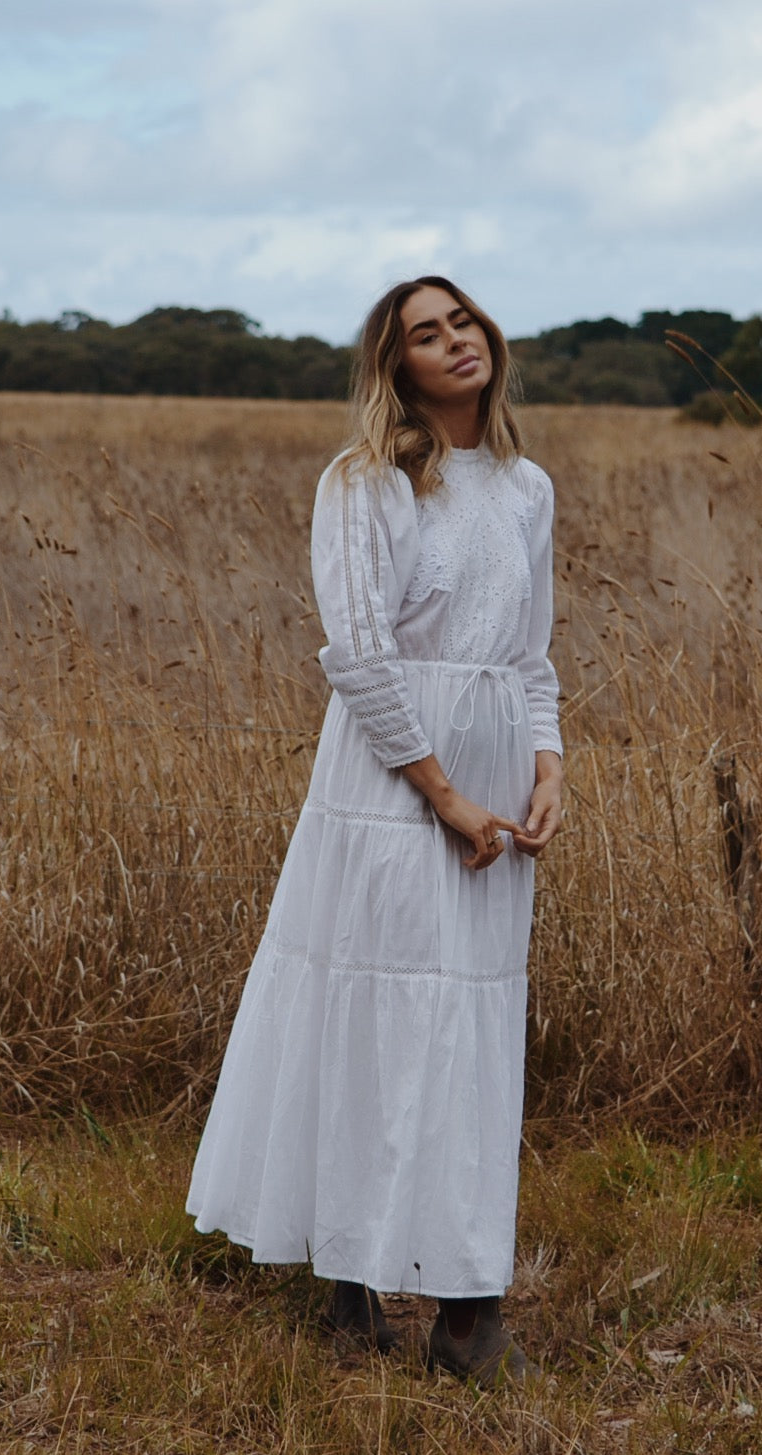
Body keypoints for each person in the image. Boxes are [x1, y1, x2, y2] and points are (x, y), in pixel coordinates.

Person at [186, 275, 564, 1386]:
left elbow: (530, 651)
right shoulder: (365, 482)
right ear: (394, 364)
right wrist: (440, 793)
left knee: (471, 1026)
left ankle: (447, 1295)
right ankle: (422, 1301)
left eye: (464, 323)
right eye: (425, 334)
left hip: (493, 766)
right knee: (376, 1007)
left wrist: (549, 764)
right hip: (394, 777)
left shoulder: (527, 485)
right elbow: (356, 652)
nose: (455, 343)